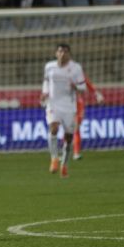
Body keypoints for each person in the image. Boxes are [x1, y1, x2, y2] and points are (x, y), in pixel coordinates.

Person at [41, 43, 90, 178]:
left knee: (68, 138)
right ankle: (54, 158)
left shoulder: (76, 68)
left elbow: (83, 88)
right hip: (53, 104)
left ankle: (64, 165)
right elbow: (46, 82)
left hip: (69, 106)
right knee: (53, 128)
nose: (62, 54)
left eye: (65, 52)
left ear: (69, 54)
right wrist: (44, 93)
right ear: (56, 53)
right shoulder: (49, 67)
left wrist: (76, 87)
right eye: (60, 51)